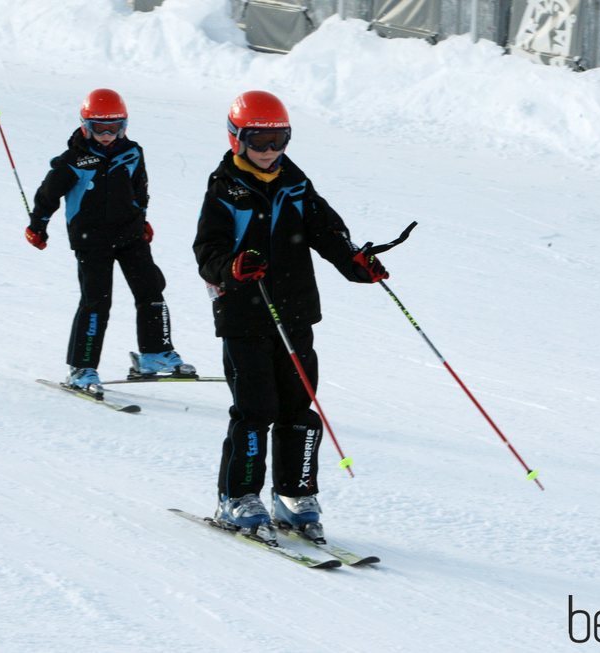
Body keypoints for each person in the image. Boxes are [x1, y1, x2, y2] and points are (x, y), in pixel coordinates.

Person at [193, 90, 389, 542]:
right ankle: (237, 497)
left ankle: (294, 495)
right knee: (255, 409)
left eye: (279, 139)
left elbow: (329, 233)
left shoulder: (296, 184)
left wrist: (357, 263)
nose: (269, 151)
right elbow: (208, 251)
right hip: (244, 316)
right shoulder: (225, 188)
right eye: (259, 140)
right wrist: (234, 268)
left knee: (298, 408)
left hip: (296, 313)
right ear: (237, 140)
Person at [26, 88, 195, 398]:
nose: (106, 135)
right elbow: (48, 194)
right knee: (96, 301)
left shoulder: (132, 152)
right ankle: (82, 367)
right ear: (84, 126)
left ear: (124, 126)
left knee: (151, 288)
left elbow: (140, 188)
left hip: (130, 235)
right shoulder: (74, 160)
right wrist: (39, 225)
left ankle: (154, 354)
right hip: (92, 241)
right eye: (98, 128)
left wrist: (142, 219)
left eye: (113, 128)